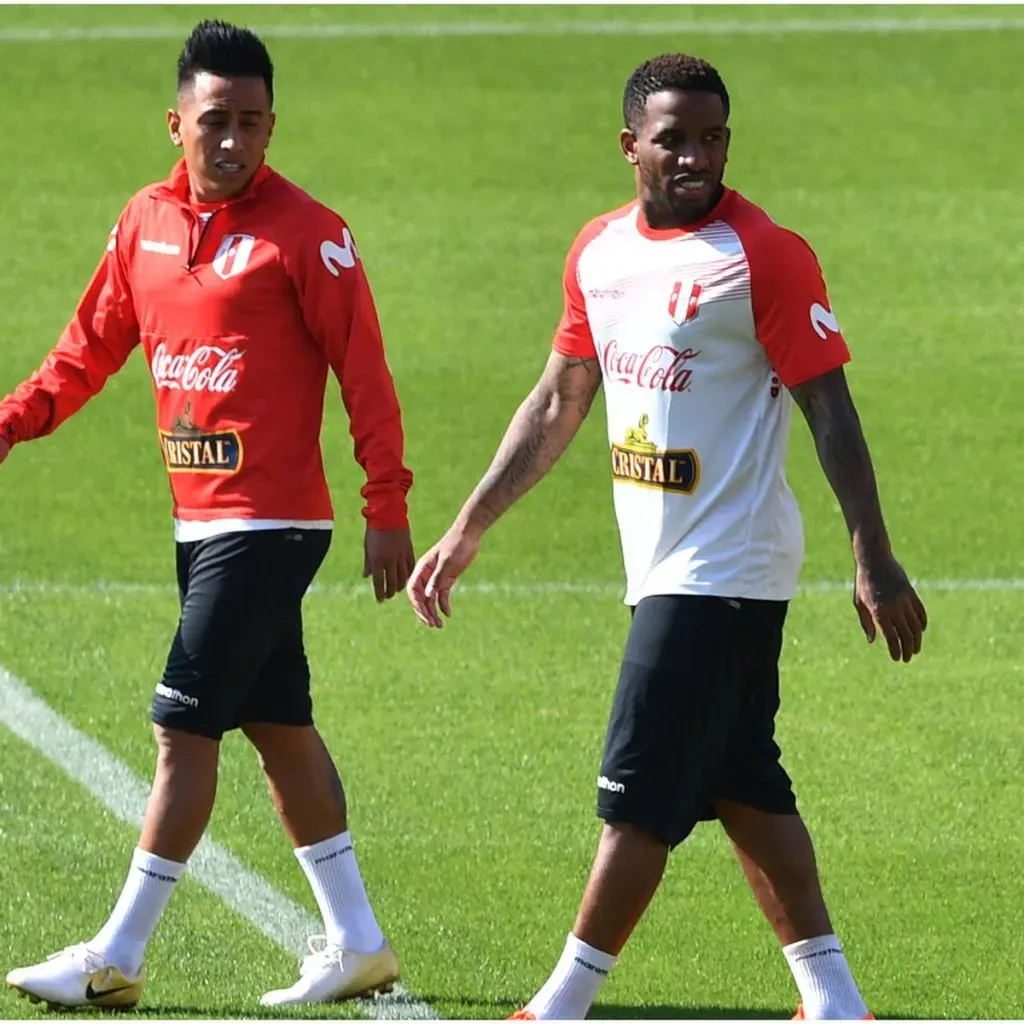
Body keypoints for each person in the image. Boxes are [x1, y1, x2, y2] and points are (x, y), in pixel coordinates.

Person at [407, 53, 927, 1021]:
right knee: (742, 783)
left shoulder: (762, 252)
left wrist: (871, 550)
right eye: (673, 137)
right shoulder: (599, 252)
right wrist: (469, 525)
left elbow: (829, 408)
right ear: (629, 146)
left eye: (712, 136)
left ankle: (558, 1004)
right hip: (664, 565)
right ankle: (834, 999)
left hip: (725, 564)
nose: (695, 155)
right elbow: (562, 399)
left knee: (637, 794)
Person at [2, 20, 414, 1011]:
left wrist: (384, 504)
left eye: (253, 124)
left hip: (270, 524)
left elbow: (366, 372)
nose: (232, 141)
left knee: (181, 731)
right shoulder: (142, 222)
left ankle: (117, 954)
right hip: (200, 521)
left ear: (273, 127)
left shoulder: (307, 233)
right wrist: (12, 420)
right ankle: (358, 941)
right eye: (214, 121)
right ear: (175, 120)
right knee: (279, 728)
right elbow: (90, 345)